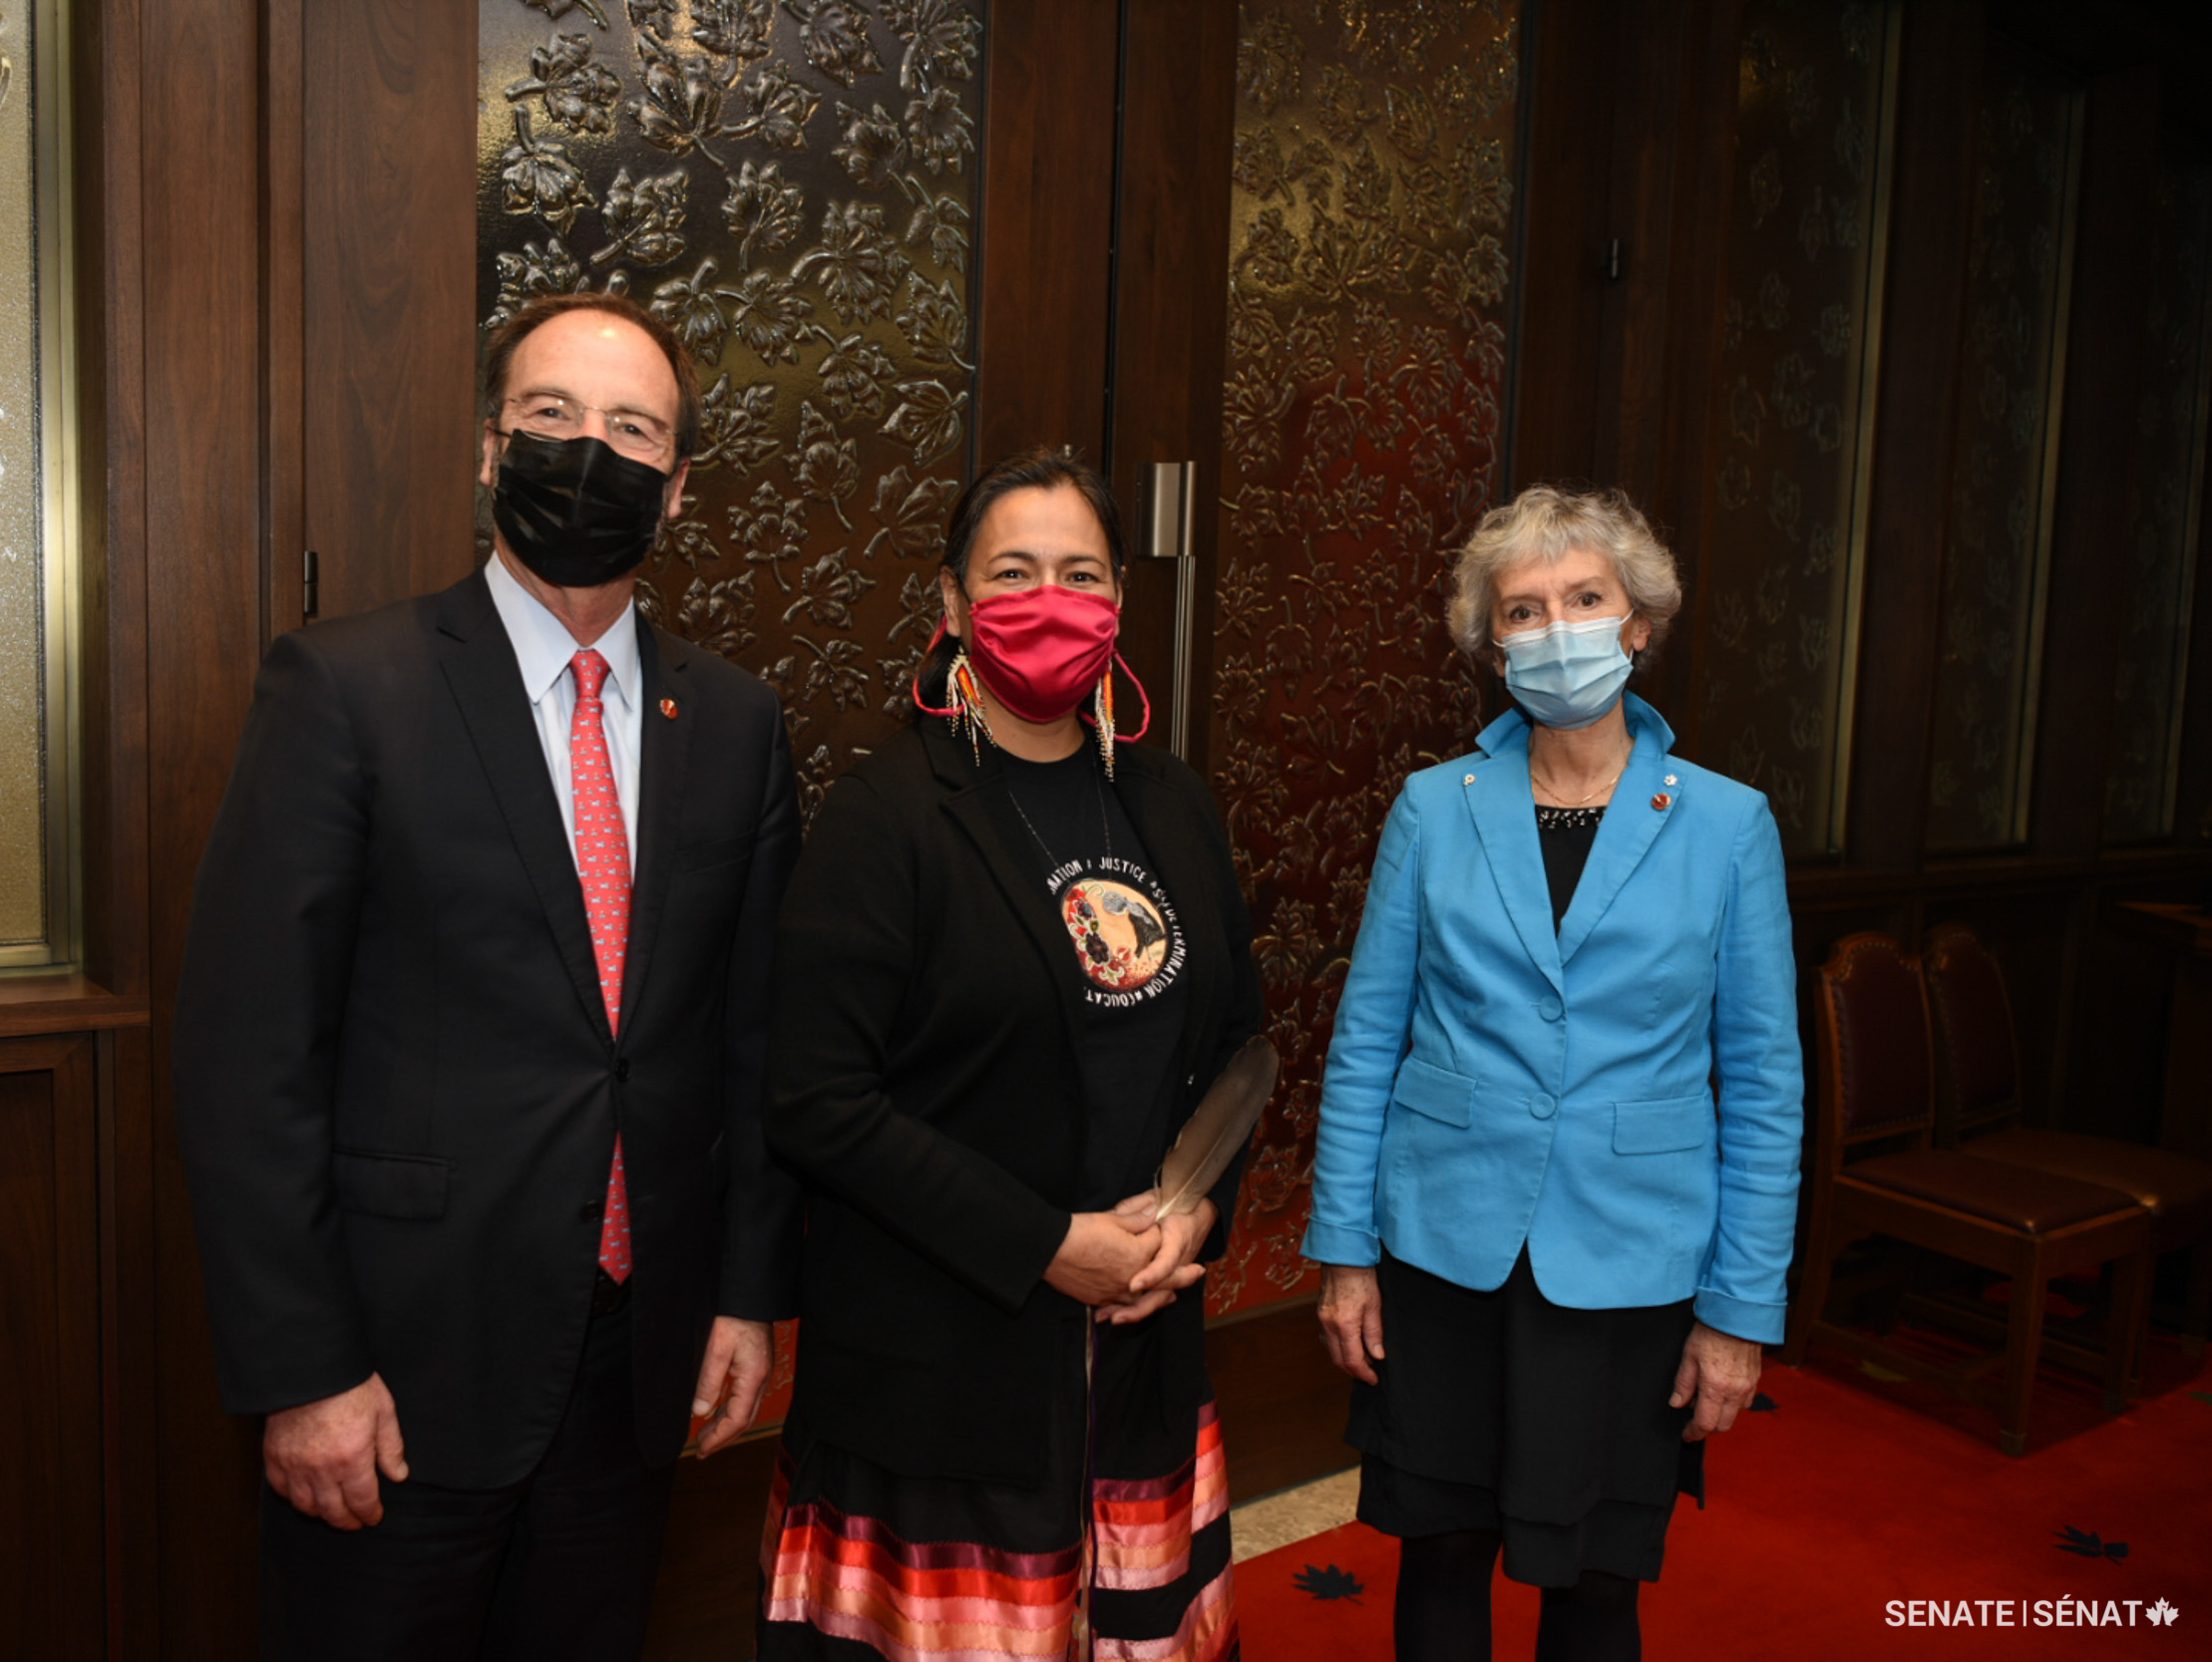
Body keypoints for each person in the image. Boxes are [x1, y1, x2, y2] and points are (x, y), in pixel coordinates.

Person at [175, 292, 802, 1660]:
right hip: (394, 1375)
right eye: (551, 416)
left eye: (632, 428)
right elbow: (248, 1055)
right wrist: (306, 1370)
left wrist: (747, 1293)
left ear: (679, 486)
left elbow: (749, 1040)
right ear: (487, 446)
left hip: (632, 1370)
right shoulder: (347, 687)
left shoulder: (739, 724)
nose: (590, 450)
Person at [756, 450, 1264, 1662]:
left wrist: (1191, 1222)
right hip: (941, 1379)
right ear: (950, 604)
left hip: (1138, 1360)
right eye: (1014, 573)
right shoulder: (886, 814)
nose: (1051, 601)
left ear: (1119, 605)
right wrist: (1047, 1246)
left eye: (1080, 573)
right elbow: (815, 1100)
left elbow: (1237, 1047)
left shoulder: (1173, 800)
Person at [1307, 486, 1802, 1661]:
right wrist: (1340, 1251)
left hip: (1629, 1266)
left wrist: (1739, 1312)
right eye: (1522, 609)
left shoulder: (1730, 824)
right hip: (1443, 1250)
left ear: (1638, 623)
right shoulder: (1432, 807)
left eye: (1585, 598)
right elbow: (1368, 1036)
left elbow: (1765, 1080)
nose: (1556, 626)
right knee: (1437, 1556)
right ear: (1492, 644)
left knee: (1593, 1579)